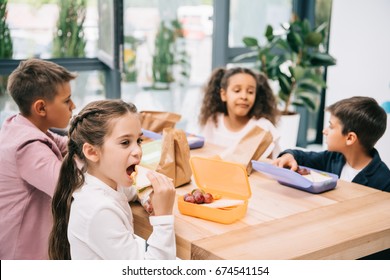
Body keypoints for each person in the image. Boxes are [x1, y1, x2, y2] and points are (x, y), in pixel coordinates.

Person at [48, 100, 176, 260]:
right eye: (125, 142)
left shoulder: (106, 181)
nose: (137, 151)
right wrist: (163, 218)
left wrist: (147, 198)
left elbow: (131, 190)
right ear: (92, 152)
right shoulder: (99, 210)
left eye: (139, 141)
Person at [0, 58, 76, 259]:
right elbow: (70, 187)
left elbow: (71, 146)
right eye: (67, 100)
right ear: (41, 108)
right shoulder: (27, 147)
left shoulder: (21, 126)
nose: (73, 106)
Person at [274, 96, 390, 192]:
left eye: (331, 126)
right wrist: (288, 155)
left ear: (350, 138)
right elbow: (301, 156)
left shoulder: (384, 180)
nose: (324, 131)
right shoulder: (332, 158)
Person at [199, 67, 281, 158]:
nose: (244, 96)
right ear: (224, 94)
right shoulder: (214, 121)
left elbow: (269, 166)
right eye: (237, 90)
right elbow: (205, 155)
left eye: (250, 92)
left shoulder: (263, 127)